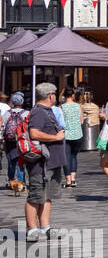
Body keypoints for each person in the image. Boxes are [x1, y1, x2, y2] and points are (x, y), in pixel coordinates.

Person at [24, 83, 66, 242]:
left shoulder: (47, 111)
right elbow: (34, 133)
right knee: (36, 194)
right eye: (55, 94)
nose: (56, 97)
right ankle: (32, 229)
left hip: (52, 161)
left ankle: (45, 227)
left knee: (47, 195)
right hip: (41, 162)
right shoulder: (38, 112)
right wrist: (55, 138)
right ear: (50, 96)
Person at [4, 93, 28, 193]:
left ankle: (11, 181)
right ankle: (21, 182)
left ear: (13, 102)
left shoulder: (7, 113)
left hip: (10, 141)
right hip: (21, 140)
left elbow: (4, 127)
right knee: (20, 162)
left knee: (11, 162)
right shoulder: (26, 113)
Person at [60, 88, 83, 188]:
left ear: (64, 96)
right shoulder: (79, 106)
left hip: (66, 135)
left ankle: (68, 180)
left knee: (66, 158)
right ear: (73, 96)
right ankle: (73, 179)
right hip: (78, 134)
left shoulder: (61, 107)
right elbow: (82, 121)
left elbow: (59, 122)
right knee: (74, 156)